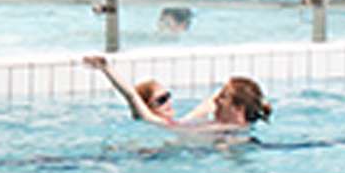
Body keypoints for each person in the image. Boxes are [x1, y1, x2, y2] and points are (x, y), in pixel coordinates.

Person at [83, 55, 272, 133]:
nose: (215, 101)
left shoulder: (218, 130)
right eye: (161, 100)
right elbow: (133, 98)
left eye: (222, 97)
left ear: (238, 108)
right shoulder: (215, 126)